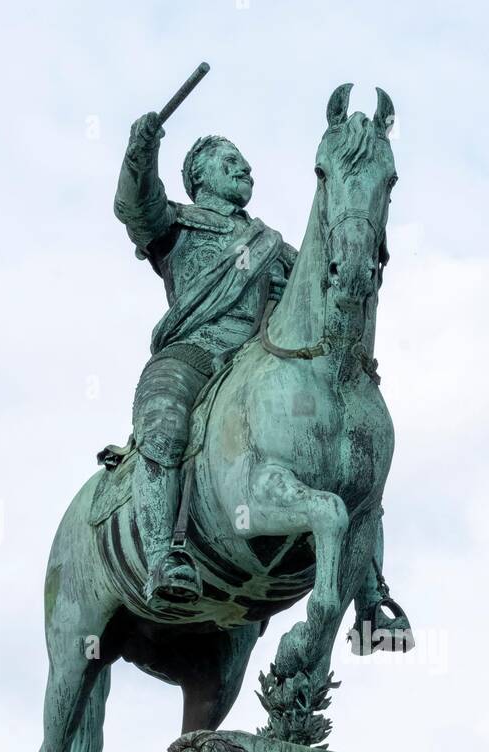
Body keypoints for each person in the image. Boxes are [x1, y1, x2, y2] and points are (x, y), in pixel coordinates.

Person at [112, 116, 296, 604]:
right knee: (164, 424)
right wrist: (141, 149)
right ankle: (161, 558)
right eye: (231, 162)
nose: (246, 168)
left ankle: (369, 586)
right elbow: (135, 204)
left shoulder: (274, 247)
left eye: (245, 163)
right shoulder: (175, 224)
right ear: (200, 177)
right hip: (195, 352)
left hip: (262, 361)